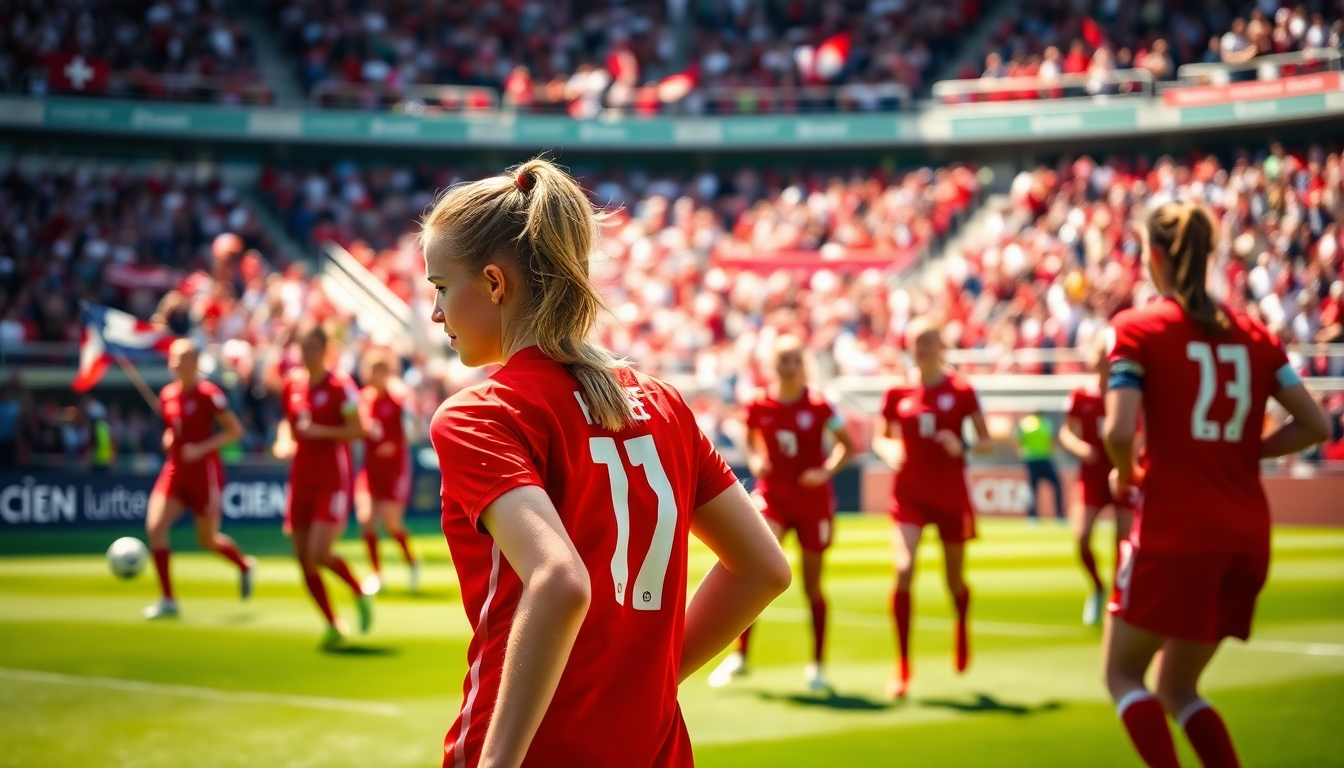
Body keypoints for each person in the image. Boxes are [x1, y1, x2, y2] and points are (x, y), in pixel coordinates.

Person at [422, 158, 792, 768]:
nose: (437, 315)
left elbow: (559, 580)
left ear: (493, 283)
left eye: (440, 288)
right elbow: (763, 570)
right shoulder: (664, 404)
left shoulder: (481, 415)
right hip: (653, 748)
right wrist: (649, 683)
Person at [1103, 201, 1329, 768]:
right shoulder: (1254, 334)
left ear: (1153, 257)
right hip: (1245, 537)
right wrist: (1243, 449)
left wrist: (1127, 470)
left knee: (1124, 673)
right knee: (1179, 689)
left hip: (1176, 531)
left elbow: (1117, 428)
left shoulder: (1137, 328)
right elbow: (1316, 424)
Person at [707, 335, 855, 691]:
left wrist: (825, 471)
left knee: (812, 584)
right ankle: (740, 655)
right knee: (753, 572)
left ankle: (817, 664)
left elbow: (849, 446)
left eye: (794, 360)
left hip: (812, 503)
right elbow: (744, 429)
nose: (788, 367)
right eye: (782, 360)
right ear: (772, 365)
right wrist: (755, 455)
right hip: (773, 499)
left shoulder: (821, 405)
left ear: (802, 363)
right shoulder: (759, 403)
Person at [875, 318, 992, 699]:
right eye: (915, 341)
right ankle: (903, 666)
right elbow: (881, 437)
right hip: (908, 494)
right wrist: (889, 448)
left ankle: (960, 623)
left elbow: (988, 441)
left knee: (953, 579)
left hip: (950, 495)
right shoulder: (897, 392)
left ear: (942, 345)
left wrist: (965, 446)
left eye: (928, 340)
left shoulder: (961, 390)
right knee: (904, 568)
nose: (921, 347)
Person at [274, 324, 372, 648]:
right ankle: (332, 623)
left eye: (314, 348)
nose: (307, 354)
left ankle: (357, 591)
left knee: (320, 552)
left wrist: (320, 433)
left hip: (332, 476)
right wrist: (283, 441)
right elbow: (288, 425)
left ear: (325, 350)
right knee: (303, 557)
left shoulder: (340, 385)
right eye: (303, 348)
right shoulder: (292, 384)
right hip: (301, 475)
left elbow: (359, 429)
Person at [144, 339, 255, 619]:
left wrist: (201, 448)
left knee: (207, 540)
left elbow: (234, 431)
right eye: (172, 359)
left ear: (194, 362)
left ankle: (243, 565)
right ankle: (168, 599)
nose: (175, 364)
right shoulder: (168, 395)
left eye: (181, 359)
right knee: (156, 527)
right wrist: (169, 439)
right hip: (174, 470)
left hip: (204, 474)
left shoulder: (208, 394)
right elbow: (172, 430)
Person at [1059, 337, 1133, 625]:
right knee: (1082, 538)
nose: (1100, 358)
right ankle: (1098, 588)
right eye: (1097, 352)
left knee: (1123, 543)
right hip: (1090, 476)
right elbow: (1066, 432)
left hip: (1122, 474)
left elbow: (1137, 433)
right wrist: (1081, 448)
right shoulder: (1081, 394)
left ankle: (1118, 597)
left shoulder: (1125, 393)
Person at [354, 354, 419, 595]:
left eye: (373, 371)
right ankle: (376, 574)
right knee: (365, 519)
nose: (368, 376)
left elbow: (412, 429)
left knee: (391, 523)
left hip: (394, 469)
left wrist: (395, 442)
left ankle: (412, 562)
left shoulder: (399, 398)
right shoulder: (363, 398)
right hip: (370, 469)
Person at [1016, 410, 1065, 524]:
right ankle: (1058, 515)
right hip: (1041, 458)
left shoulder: (1025, 424)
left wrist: (1021, 451)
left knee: (1033, 489)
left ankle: (1033, 516)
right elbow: (1052, 440)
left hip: (1033, 459)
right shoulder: (1045, 423)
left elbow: (1018, 440)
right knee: (1054, 486)